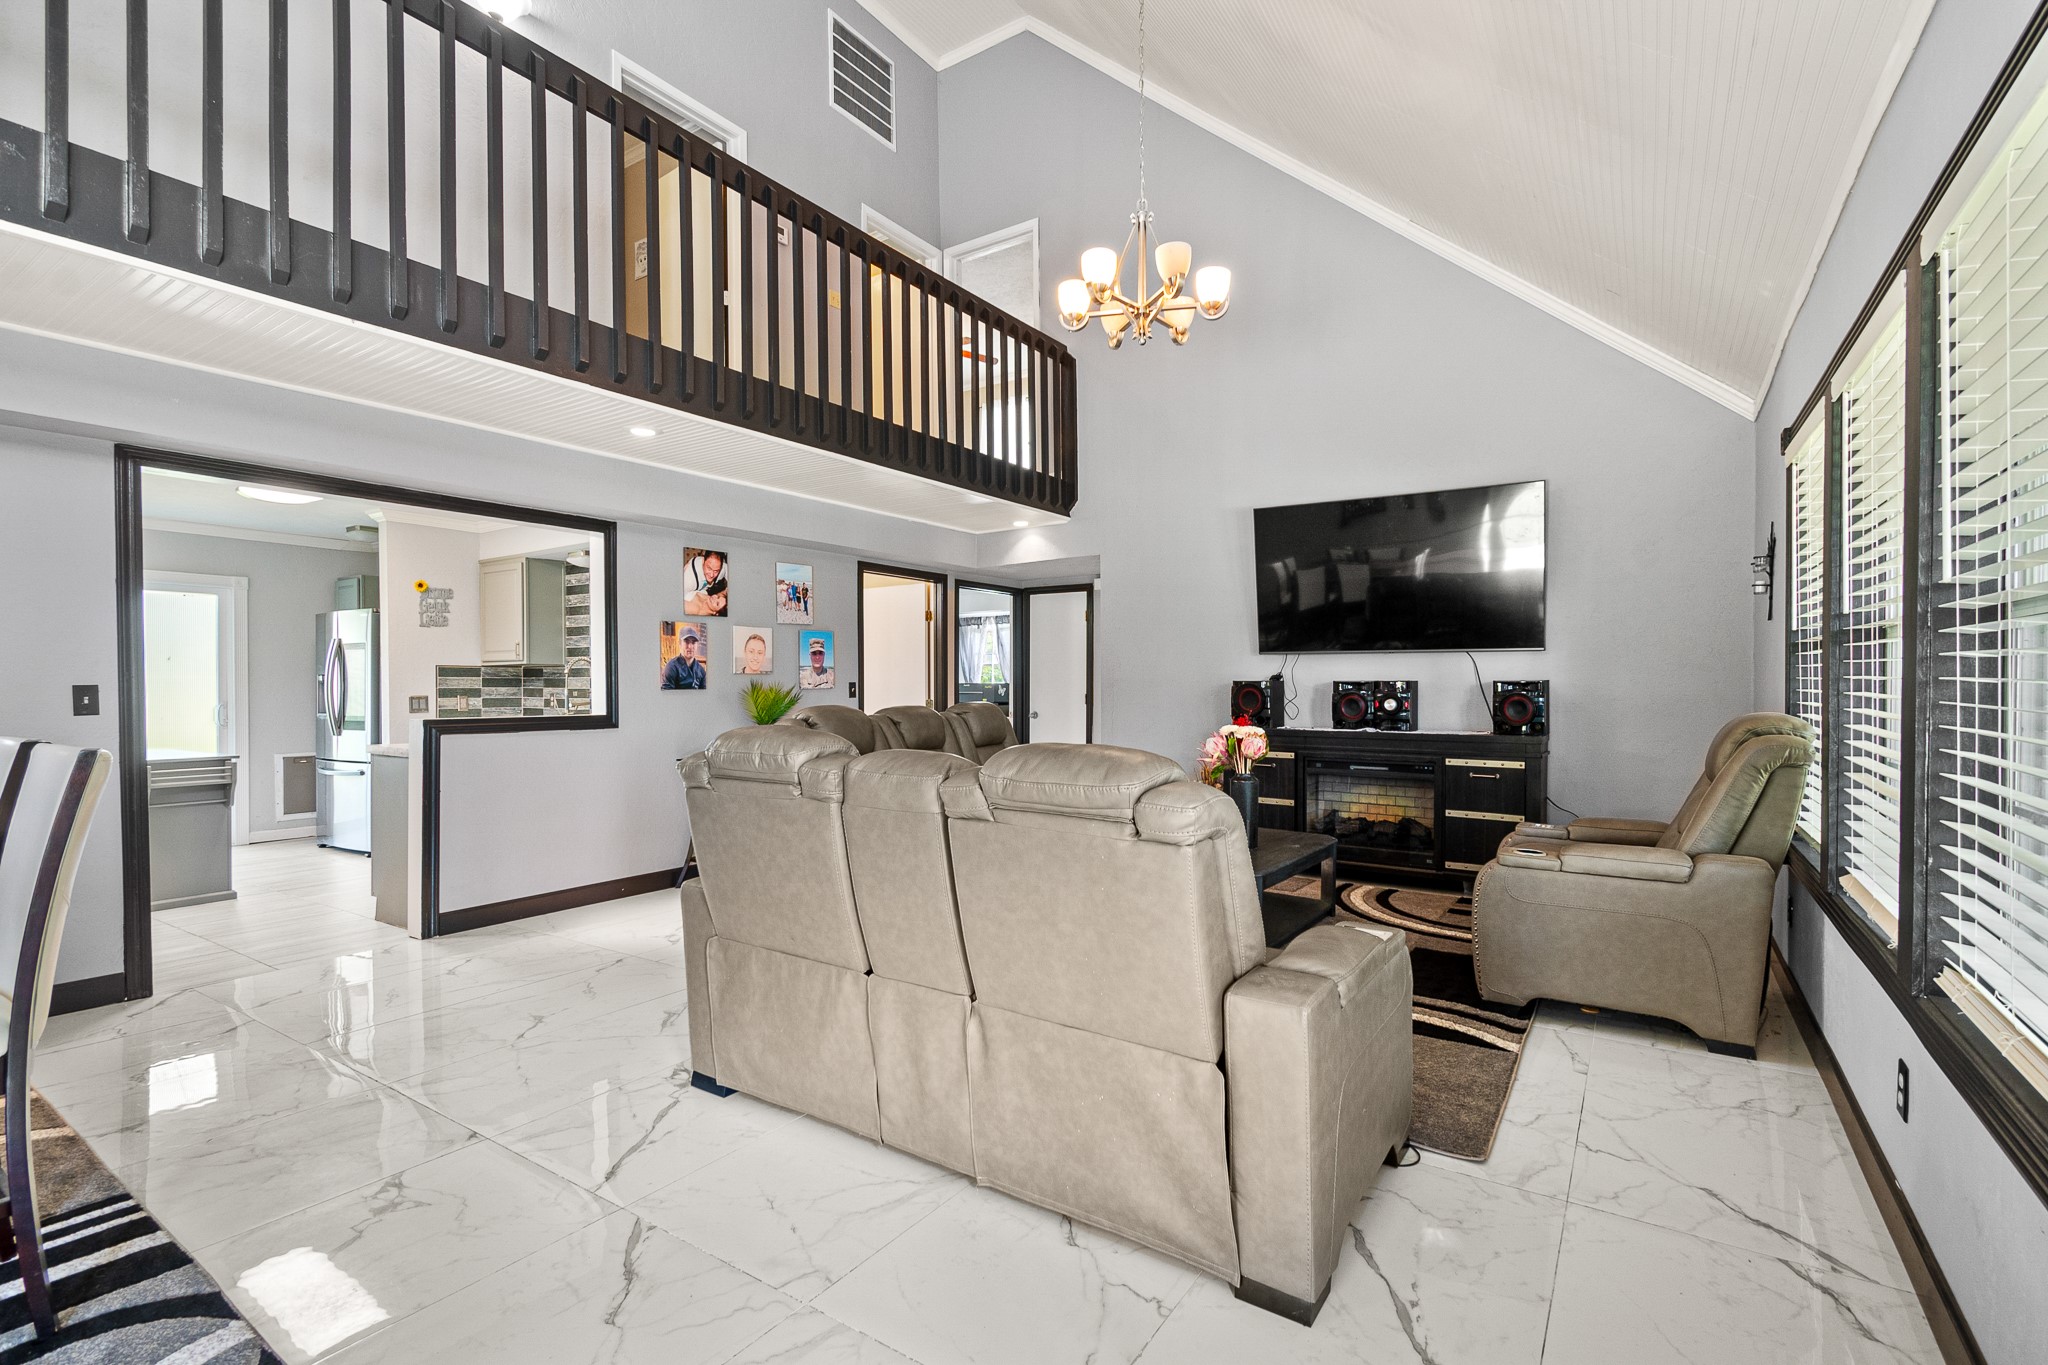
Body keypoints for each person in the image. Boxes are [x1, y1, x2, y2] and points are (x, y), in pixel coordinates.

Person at [661, 625, 706, 689]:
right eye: (687, 642)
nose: (690, 647)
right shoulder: (671, 668)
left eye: (693, 642)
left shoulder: (701, 671)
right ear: (680, 643)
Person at [684, 550, 727, 616]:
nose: (712, 575)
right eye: (709, 568)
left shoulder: (720, 567)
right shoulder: (688, 580)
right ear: (703, 560)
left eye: (716, 571)